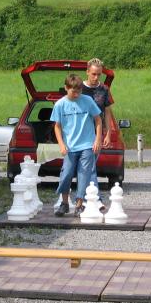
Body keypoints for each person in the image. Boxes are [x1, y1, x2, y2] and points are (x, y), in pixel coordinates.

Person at [52, 74, 102, 217]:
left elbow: (98, 120)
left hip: (87, 145)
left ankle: (79, 205)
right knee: (66, 173)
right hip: (70, 147)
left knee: (84, 175)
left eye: (79, 91)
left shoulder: (88, 101)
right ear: (66, 88)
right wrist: (61, 144)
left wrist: (98, 139)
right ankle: (65, 203)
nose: (77, 94)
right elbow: (57, 126)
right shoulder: (60, 104)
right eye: (74, 91)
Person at [81, 58, 114, 209]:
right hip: (80, 132)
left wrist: (108, 133)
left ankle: (91, 199)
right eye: (93, 74)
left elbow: (107, 112)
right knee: (88, 166)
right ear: (87, 72)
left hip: (97, 132)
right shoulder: (78, 88)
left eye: (99, 75)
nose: (96, 78)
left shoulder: (104, 89)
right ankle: (92, 199)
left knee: (90, 165)